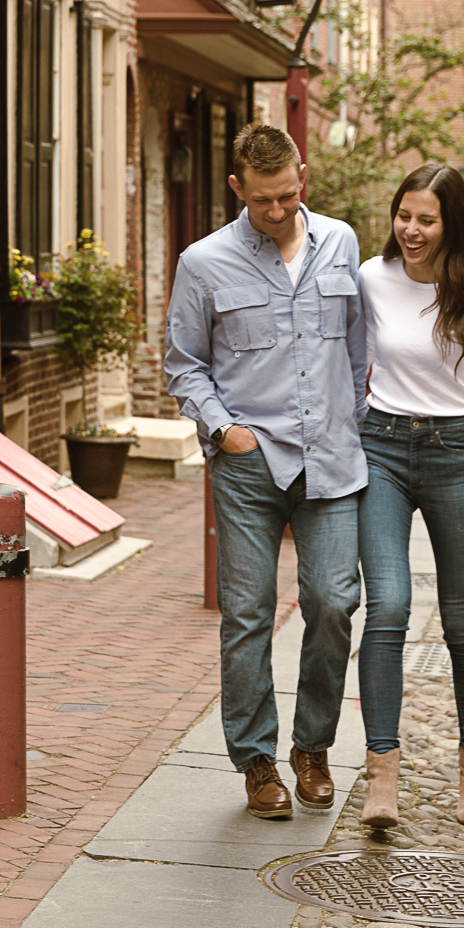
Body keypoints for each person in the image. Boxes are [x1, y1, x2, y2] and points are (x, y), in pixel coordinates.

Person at [163, 124, 368, 822]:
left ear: (301, 176)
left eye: (288, 195)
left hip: (332, 460)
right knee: (247, 615)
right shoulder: (203, 262)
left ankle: (313, 746)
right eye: (263, 202)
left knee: (335, 600)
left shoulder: (341, 243)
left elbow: (361, 353)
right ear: (237, 189)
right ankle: (256, 760)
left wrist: (355, 422)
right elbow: (184, 364)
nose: (278, 211)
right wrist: (225, 430)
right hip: (250, 465)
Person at [355, 163, 464, 829]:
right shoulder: (370, 278)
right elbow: (350, 365)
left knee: (460, 621)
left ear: (451, 223)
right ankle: (381, 774)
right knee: (387, 605)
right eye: (404, 215)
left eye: (426, 219)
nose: (411, 230)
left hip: (454, 454)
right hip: (381, 449)